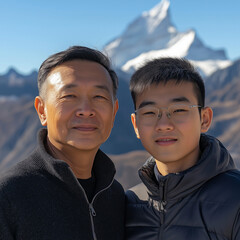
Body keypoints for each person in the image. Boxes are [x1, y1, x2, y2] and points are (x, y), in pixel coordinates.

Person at [0, 46, 125, 240]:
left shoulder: (116, 196)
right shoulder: (8, 196)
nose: (86, 110)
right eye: (69, 96)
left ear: (114, 111)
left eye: (99, 97)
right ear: (42, 110)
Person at [125, 57, 240, 239]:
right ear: (136, 125)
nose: (163, 124)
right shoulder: (128, 203)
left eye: (179, 110)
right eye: (149, 113)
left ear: (204, 119)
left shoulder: (235, 199)